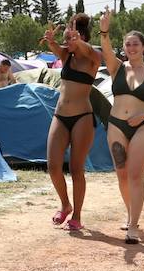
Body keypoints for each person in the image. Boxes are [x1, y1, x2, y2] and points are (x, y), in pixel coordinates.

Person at [99, 11, 144, 244]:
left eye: (135, 44)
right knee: (121, 174)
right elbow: (105, 48)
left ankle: (133, 226)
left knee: (135, 175)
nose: (131, 48)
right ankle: (130, 214)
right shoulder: (117, 68)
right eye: (127, 45)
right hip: (116, 124)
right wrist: (104, 30)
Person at [43, 13, 102, 232]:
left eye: (71, 38)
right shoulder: (67, 55)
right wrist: (51, 40)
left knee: (77, 169)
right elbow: (55, 48)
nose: (67, 42)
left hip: (83, 118)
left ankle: (77, 215)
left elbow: (88, 50)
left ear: (83, 37)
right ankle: (65, 204)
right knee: (53, 166)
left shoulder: (93, 57)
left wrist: (80, 42)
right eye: (67, 38)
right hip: (60, 116)